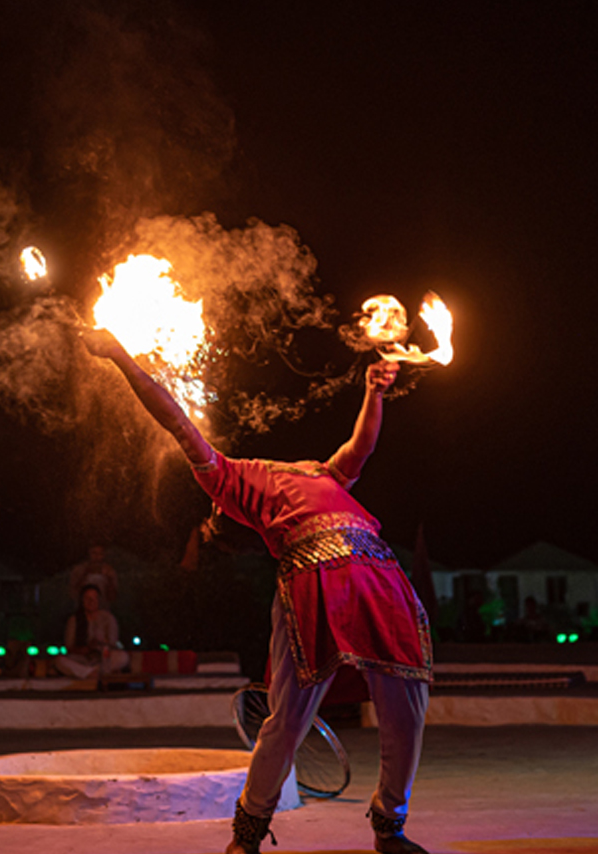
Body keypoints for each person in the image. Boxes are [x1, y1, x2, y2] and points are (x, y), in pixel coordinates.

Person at [84, 329, 431, 854]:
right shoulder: (236, 481)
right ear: (233, 517)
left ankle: (390, 826)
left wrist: (374, 391)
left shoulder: (327, 475)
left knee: (407, 702)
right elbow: (178, 422)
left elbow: (363, 445)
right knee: (288, 716)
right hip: (313, 578)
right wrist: (120, 357)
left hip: (379, 572)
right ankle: (247, 834)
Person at [53, 584, 129, 680]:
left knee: (122, 657)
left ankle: (89, 672)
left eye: (94, 598)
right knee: (60, 661)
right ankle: (91, 672)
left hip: (102, 658)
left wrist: (100, 645)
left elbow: (113, 643)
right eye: (88, 598)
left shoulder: (107, 618)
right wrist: (85, 649)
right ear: (82, 601)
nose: (91, 602)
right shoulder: (74, 620)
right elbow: (69, 647)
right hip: (81, 659)